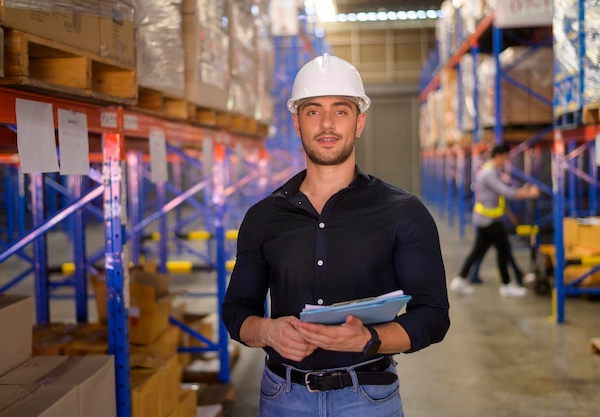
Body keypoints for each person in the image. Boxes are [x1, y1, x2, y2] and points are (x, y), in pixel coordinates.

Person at [221, 54, 450, 417]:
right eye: (313, 111)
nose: (327, 123)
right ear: (297, 122)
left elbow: (434, 315)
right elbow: (236, 311)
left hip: (368, 398)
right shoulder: (263, 216)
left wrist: (371, 339)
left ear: (359, 122)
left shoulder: (403, 212)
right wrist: (268, 331)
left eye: (340, 111)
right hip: (283, 397)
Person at [450, 143, 540, 297]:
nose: (506, 161)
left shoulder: (492, 171)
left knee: (479, 250)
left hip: (488, 218)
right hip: (489, 219)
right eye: (505, 157)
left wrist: (510, 210)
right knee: (503, 250)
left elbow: (499, 195)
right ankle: (506, 285)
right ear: (499, 156)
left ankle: (459, 280)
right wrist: (528, 193)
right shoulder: (488, 174)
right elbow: (506, 191)